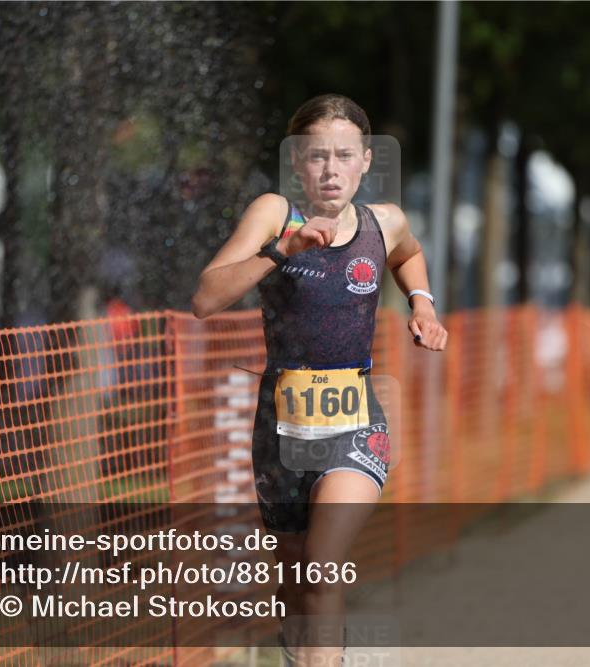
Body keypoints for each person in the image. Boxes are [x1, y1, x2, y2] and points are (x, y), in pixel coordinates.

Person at [191, 93, 447, 666]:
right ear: (298, 163)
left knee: (322, 568)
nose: (330, 170)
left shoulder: (385, 222)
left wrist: (423, 306)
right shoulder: (273, 213)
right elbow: (206, 299)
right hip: (280, 432)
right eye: (316, 156)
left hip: (356, 424)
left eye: (343, 156)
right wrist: (281, 251)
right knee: (296, 587)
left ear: (365, 163)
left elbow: (408, 255)